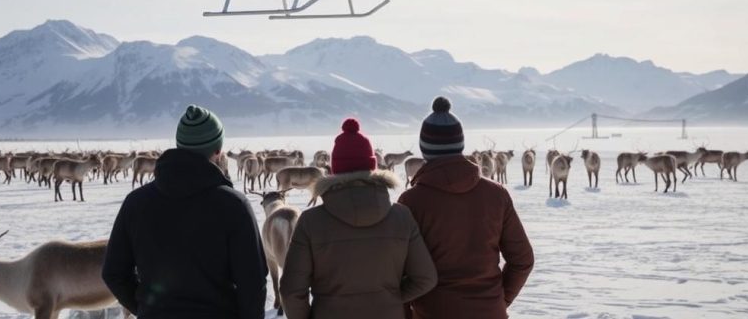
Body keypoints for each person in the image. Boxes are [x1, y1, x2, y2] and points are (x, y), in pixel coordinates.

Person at [102, 105, 268, 318]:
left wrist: (147, 308)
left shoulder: (136, 203)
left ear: (179, 145)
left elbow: (113, 273)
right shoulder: (234, 206)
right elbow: (252, 283)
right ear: (218, 151)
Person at [280, 118, 437, 319]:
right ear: (372, 167)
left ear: (334, 170)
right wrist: (391, 298)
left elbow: (291, 290)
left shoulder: (310, 222)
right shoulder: (401, 217)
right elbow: (425, 278)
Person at [398, 97, 535, 319]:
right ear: (460, 144)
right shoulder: (496, 195)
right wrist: (499, 302)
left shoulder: (411, 202)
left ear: (425, 150)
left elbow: (400, 272)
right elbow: (522, 260)